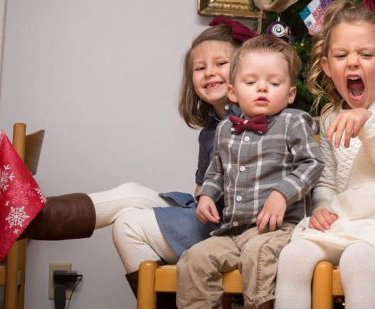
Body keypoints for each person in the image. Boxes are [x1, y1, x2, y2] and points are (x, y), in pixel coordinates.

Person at [17, 17, 257, 300]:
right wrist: (201, 197)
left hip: (231, 228)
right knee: (130, 193)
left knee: (127, 226)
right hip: (207, 215)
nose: (210, 73)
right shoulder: (209, 130)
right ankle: (26, 218)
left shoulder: (252, 122)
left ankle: (20, 220)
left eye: (221, 64)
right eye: (200, 68)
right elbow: (201, 186)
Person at [274, 0, 375, 309]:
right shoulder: (330, 116)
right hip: (347, 217)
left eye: (366, 55)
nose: (353, 62)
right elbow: (327, 180)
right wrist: (323, 207)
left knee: (357, 260)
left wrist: (367, 121)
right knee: (293, 256)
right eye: (341, 56)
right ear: (327, 66)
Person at [176, 34, 324, 309]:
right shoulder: (224, 129)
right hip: (232, 230)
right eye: (251, 82)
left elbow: (312, 163)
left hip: (277, 230)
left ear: (290, 93)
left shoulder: (293, 122)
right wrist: (206, 196)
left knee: (257, 257)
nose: (262, 89)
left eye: (274, 83)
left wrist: (281, 194)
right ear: (233, 92)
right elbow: (215, 173)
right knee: (193, 259)